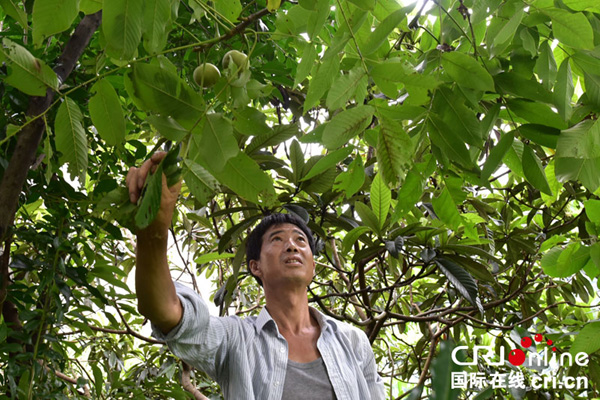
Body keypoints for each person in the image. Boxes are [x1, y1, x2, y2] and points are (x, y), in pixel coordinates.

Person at [126, 152, 385, 400]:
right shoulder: (236, 340)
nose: (292, 245)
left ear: (313, 266)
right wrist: (153, 232)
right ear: (255, 266)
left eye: (300, 240)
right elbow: (166, 312)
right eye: (277, 239)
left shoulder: (353, 341)